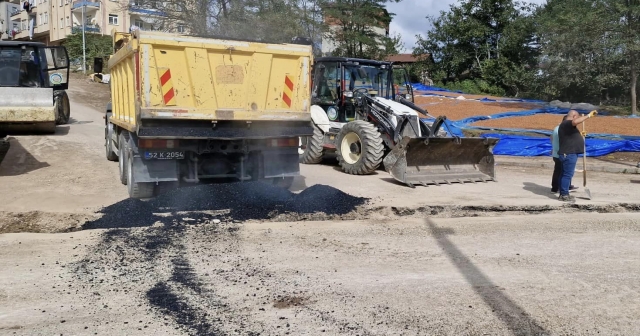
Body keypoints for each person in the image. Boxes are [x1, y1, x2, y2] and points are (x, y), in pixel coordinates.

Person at [557, 110, 597, 202]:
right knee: (567, 175)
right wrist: (588, 116)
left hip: (568, 153)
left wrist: (579, 135)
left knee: (564, 174)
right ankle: (564, 194)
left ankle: (563, 193)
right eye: (578, 117)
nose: (579, 119)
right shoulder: (566, 123)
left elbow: (571, 136)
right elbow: (575, 122)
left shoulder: (566, 126)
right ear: (574, 116)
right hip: (569, 153)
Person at [551, 115, 578, 193]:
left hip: (558, 152)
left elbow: (551, 137)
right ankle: (556, 187)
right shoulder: (560, 129)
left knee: (563, 171)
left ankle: (565, 186)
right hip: (561, 153)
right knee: (562, 171)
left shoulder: (558, 128)